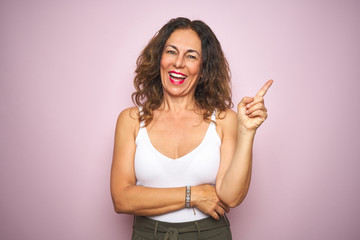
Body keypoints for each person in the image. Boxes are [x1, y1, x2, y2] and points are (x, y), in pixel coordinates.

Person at [110, 17, 273, 240]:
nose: (178, 63)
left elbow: (231, 197)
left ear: (204, 69)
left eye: (191, 56)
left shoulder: (225, 120)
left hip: (209, 233)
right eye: (171, 52)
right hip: (148, 234)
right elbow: (121, 199)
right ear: (159, 59)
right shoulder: (130, 120)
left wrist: (246, 132)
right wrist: (192, 195)